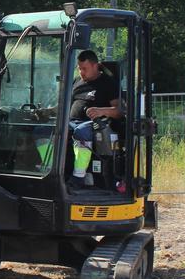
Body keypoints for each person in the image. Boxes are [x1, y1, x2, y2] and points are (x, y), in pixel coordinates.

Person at [34, 50, 123, 187]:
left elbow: (119, 111)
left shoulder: (108, 83)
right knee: (41, 130)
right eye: (79, 68)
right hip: (70, 122)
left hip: (93, 125)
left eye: (84, 69)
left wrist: (100, 111)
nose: (81, 72)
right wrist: (47, 112)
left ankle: (79, 176)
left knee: (81, 131)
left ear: (95, 66)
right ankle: (50, 169)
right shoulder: (76, 82)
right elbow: (64, 106)